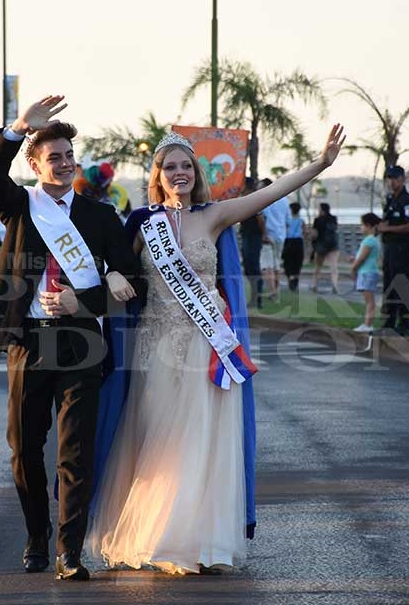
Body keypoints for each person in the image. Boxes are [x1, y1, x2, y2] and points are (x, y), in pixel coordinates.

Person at [88, 123, 346, 575]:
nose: (179, 172)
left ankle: (195, 540)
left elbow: (270, 193)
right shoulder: (141, 223)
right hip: (157, 347)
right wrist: (111, 275)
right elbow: (116, 267)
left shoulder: (215, 215)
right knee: (158, 446)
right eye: (171, 166)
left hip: (208, 347)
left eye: (186, 165)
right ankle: (156, 533)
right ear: (158, 174)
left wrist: (321, 163)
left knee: (202, 445)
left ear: (196, 172)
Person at [0, 96, 141, 581]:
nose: (64, 164)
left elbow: (131, 283)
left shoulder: (101, 215)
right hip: (28, 342)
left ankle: (70, 552)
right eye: (54, 157)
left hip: (81, 342)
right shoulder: (21, 205)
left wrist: (85, 301)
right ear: (35, 163)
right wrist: (17, 127)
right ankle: (36, 536)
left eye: (69, 156)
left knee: (74, 451)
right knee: (25, 448)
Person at [377, 165, 409, 336]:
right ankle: (389, 320)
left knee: (401, 283)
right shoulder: (390, 199)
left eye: (395, 178)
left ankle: (405, 321)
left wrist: (388, 229)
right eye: (389, 178)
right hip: (389, 247)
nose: (391, 182)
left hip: (401, 247)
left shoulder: (407, 200)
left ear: (403, 179)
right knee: (389, 284)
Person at [350, 213, 382, 332]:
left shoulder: (369, 241)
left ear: (368, 226)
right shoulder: (372, 240)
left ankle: (368, 324)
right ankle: (367, 323)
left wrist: (353, 267)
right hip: (367, 271)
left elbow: (362, 258)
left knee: (369, 301)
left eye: (362, 225)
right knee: (368, 300)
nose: (361, 227)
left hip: (367, 272)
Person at [259, 179, 288, 302]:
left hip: (268, 236)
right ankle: (277, 291)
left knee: (266, 266)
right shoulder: (284, 200)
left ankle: (272, 292)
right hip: (281, 236)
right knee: (277, 265)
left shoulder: (264, 199)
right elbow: (288, 220)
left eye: (260, 187)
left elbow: (262, 217)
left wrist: (264, 234)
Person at [237, 177, 265, 308]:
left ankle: (257, 299)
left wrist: (263, 235)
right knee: (248, 268)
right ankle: (255, 297)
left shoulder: (254, 199)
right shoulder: (244, 199)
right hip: (246, 235)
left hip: (253, 237)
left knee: (253, 268)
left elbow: (260, 219)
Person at [310, 202, 339, 293]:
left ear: (322, 210)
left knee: (318, 267)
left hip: (321, 245)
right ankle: (334, 285)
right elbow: (335, 230)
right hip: (332, 245)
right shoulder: (333, 219)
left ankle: (314, 285)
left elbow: (314, 234)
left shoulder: (317, 220)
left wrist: (313, 246)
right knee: (333, 267)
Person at [282, 201, 305, 291]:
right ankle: (295, 276)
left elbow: (285, 230)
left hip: (288, 241)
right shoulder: (301, 221)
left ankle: (290, 277)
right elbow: (304, 232)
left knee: (288, 260)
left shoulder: (287, 220)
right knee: (297, 261)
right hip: (298, 241)